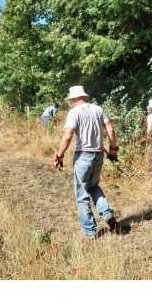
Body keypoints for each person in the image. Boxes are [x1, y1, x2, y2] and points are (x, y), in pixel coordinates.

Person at [54, 85, 119, 239]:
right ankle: (107, 213)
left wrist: (59, 155)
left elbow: (68, 135)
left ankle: (90, 231)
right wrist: (113, 150)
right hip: (98, 156)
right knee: (94, 186)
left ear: (74, 98)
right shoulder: (98, 109)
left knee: (82, 194)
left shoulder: (74, 112)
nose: (70, 102)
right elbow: (110, 129)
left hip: (83, 156)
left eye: (71, 99)